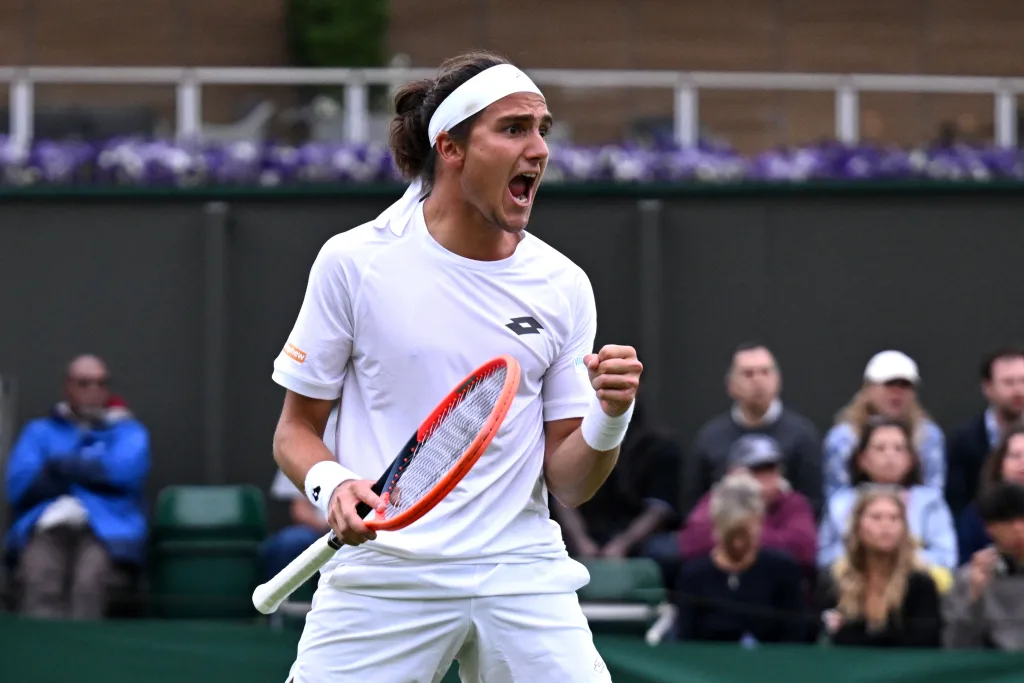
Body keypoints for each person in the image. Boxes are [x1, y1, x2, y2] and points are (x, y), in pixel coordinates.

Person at [269, 51, 643, 682]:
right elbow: (294, 432)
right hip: (384, 575)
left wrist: (611, 416)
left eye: (542, 129)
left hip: (520, 571)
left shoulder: (563, 285)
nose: (540, 149)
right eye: (515, 128)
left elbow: (572, 484)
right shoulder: (353, 262)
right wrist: (332, 485)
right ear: (451, 147)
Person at [4, 354, 150, 620]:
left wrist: (59, 466)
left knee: (89, 585)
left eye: (101, 383)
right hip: (47, 525)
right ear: (68, 387)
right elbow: (20, 485)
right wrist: (92, 471)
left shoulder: (129, 431)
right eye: (84, 383)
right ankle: (44, 658)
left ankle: (83, 658)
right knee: (39, 579)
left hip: (105, 529)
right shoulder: (39, 431)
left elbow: (124, 473)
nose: (94, 391)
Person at [817, 487, 943, 648]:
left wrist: (848, 633)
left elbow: (923, 643)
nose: (886, 525)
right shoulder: (835, 581)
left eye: (895, 518)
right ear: (858, 526)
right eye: (876, 517)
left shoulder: (920, 584)